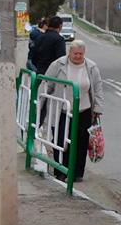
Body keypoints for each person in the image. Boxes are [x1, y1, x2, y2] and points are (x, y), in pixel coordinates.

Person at [43, 39, 104, 183]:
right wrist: (39, 102)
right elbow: (46, 84)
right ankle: (61, 171)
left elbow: (97, 88)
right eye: (75, 53)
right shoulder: (58, 65)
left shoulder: (91, 67)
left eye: (81, 54)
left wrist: (98, 107)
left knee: (81, 142)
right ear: (69, 52)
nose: (78, 56)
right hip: (62, 110)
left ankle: (77, 173)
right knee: (60, 141)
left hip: (84, 110)